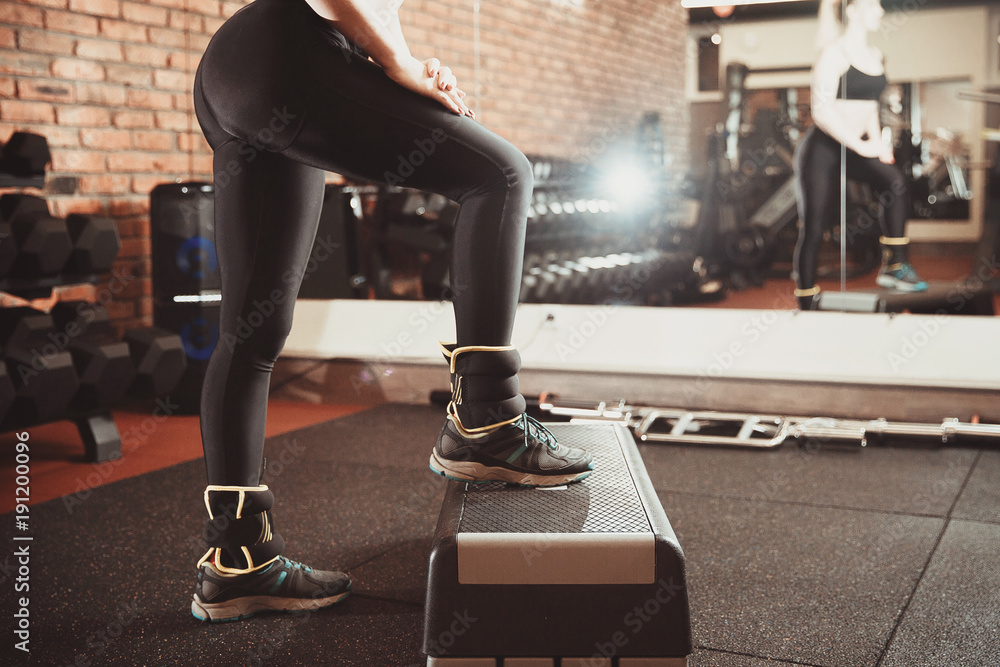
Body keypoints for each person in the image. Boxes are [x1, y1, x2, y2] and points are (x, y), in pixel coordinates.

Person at [188, 0, 594, 622]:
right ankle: (486, 417)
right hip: (293, 53)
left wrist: (404, 66)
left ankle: (240, 562)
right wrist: (398, 64)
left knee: (253, 330)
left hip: (240, 67)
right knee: (501, 174)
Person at [793, 0, 927, 310]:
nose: (880, 11)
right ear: (852, 10)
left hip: (856, 145)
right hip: (822, 148)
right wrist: (862, 145)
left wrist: (877, 143)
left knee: (894, 182)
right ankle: (806, 300)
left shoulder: (875, 56)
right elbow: (822, 111)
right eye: (873, 5)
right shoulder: (833, 53)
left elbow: (869, 107)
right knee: (814, 225)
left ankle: (895, 266)